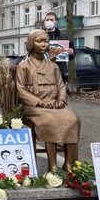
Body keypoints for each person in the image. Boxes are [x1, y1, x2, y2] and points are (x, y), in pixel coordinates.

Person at [16, 29, 81, 173]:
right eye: (39, 41)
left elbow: (61, 85)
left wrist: (61, 100)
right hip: (36, 105)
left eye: (46, 41)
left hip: (55, 104)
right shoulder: (24, 66)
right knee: (50, 120)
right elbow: (20, 89)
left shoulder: (53, 65)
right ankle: (52, 165)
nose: (44, 44)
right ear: (31, 44)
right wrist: (40, 102)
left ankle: (68, 163)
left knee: (73, 119)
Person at [43, 12, 75, 79]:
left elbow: (71, 53)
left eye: (51, 20)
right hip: (42, 71)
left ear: (56, 22)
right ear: (44, 21)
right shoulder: (39, 35)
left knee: (59, 89)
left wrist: (71, 52)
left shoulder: (63, 36)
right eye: (47, 20)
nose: (49, 21)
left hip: (59, 71)